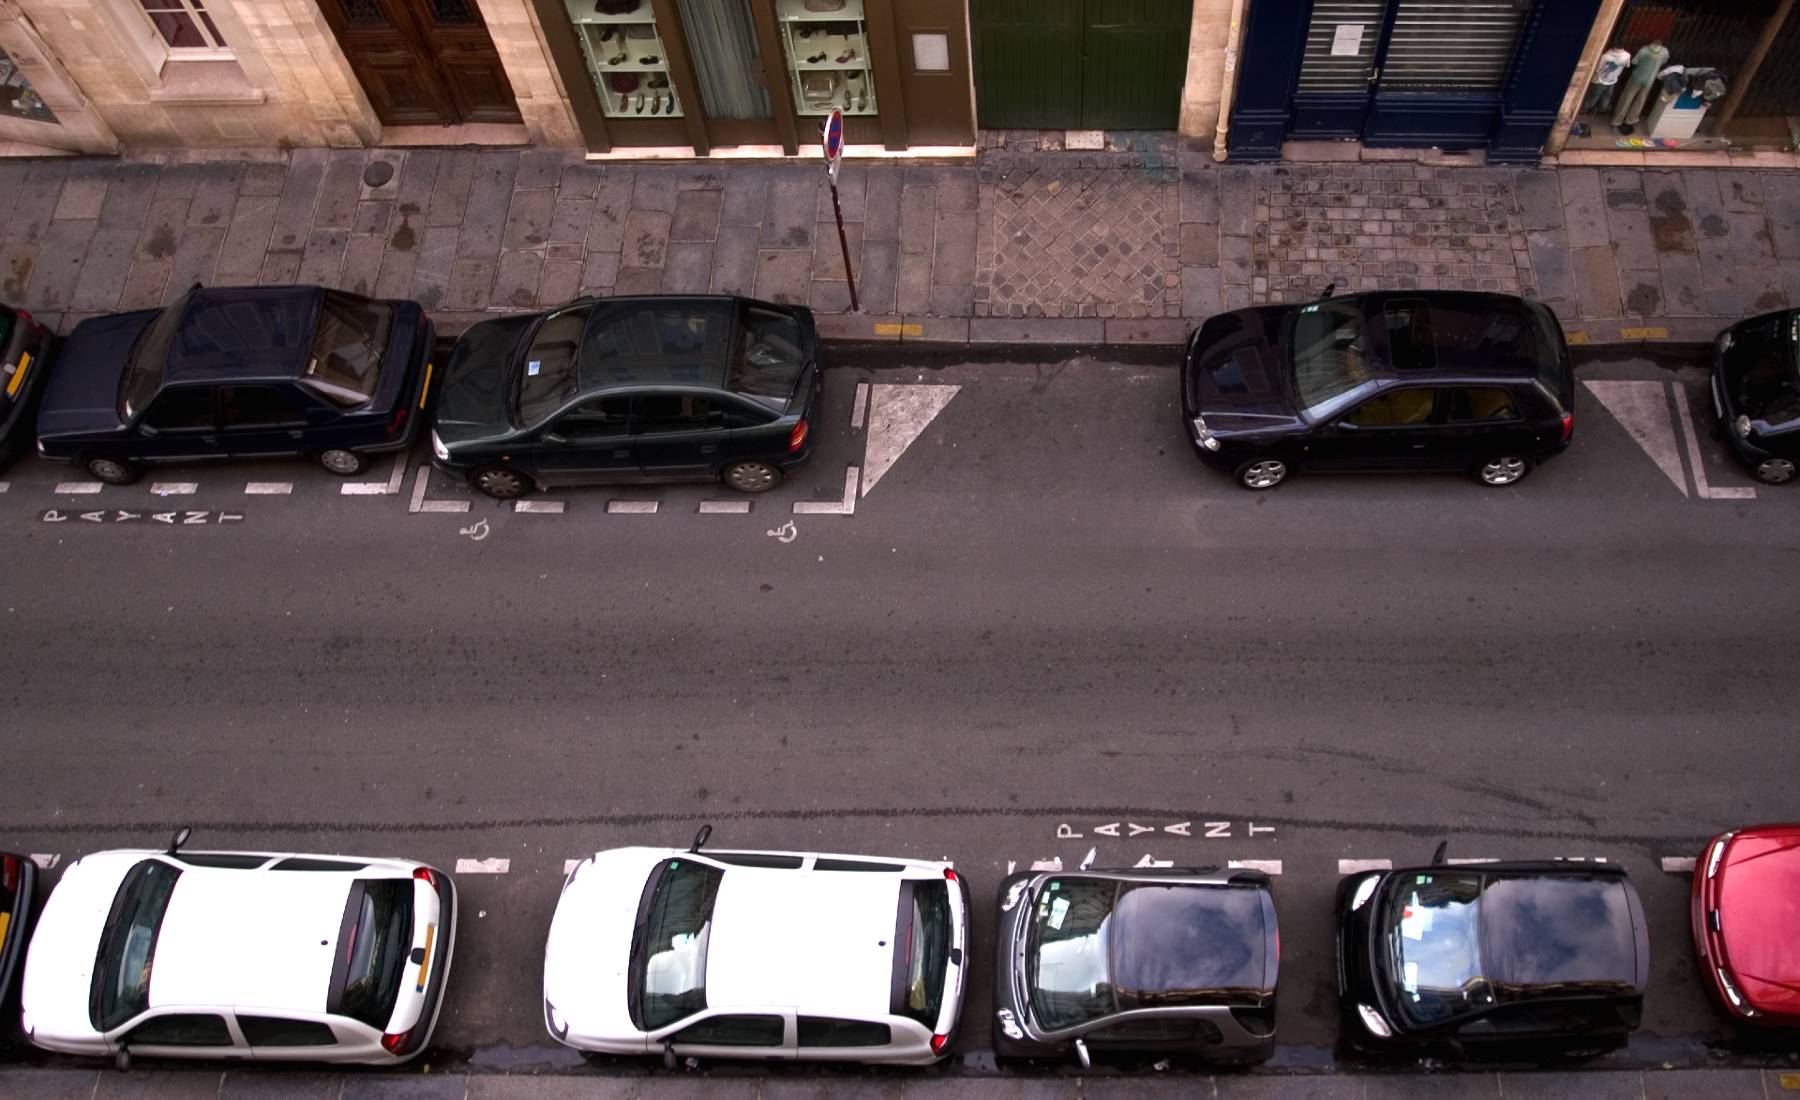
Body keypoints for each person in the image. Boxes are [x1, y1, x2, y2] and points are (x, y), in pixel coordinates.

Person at [1613, 40, 1671, 133]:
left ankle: (1617, 120)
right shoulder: (1665, 51)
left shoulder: (1644, 50)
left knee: (1626, 98)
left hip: (1637, 77)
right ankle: (1631, 120)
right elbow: (1664, 61)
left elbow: (1634, 62)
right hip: (1650, 80)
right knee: (1640, 101)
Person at [1584, 46, 1632, 114]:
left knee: (1592, 98)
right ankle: (1597, 110)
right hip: (1612, 80)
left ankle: (1585, 110)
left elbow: (1597, 69)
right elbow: (1626, 66)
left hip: (1599, 80)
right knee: (1605, 99)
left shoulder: (1605, 56)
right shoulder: (1627, 56)